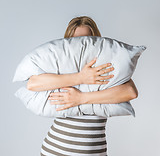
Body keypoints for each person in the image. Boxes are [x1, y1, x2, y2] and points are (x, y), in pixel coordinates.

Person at [27, 15, 138, 156]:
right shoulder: (61, 66)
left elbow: (130, 92)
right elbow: (32, 84)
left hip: (93, 151)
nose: (81, 46)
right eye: (75, 41)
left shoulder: (105, 66)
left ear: (96, 40)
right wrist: (80, 77)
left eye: (87, 40)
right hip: (55, 149)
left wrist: (81, 98)